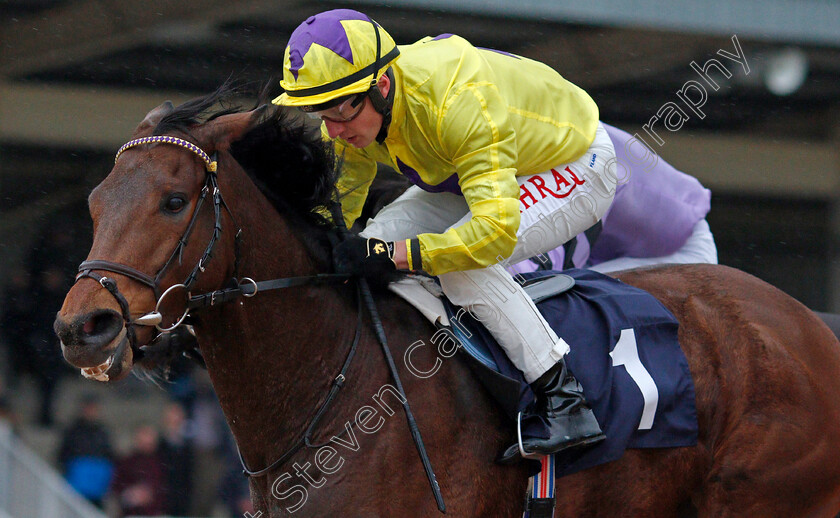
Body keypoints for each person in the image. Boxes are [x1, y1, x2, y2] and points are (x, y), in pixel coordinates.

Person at [274, 8, 618, 461]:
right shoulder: (354, 110)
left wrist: (397, 256)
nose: (333, 128)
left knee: (462, 268)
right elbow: (342, 203)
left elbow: (492, 235)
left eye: (340, 110)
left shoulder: (457, 103)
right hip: (473, 174)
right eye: (319, 111)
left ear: (381, 86)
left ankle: (564, 399)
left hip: (571, 163)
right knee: (371, 240)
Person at [57, 393, 115, 508]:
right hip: (77, 485)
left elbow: (110, 455)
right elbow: (63, 454)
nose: (91, 412)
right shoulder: (73, 431)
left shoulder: (102, 432)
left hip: (97, 487)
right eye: (89, 408)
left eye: (94, 409)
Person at [110, 424, 167, 517]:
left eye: (149, 436)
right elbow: (116, 487)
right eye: (143, 436)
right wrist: (130, 494)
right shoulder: (126, 462)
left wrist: (150, 494)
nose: (146, 440)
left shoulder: (160, 464)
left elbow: (164, 488)